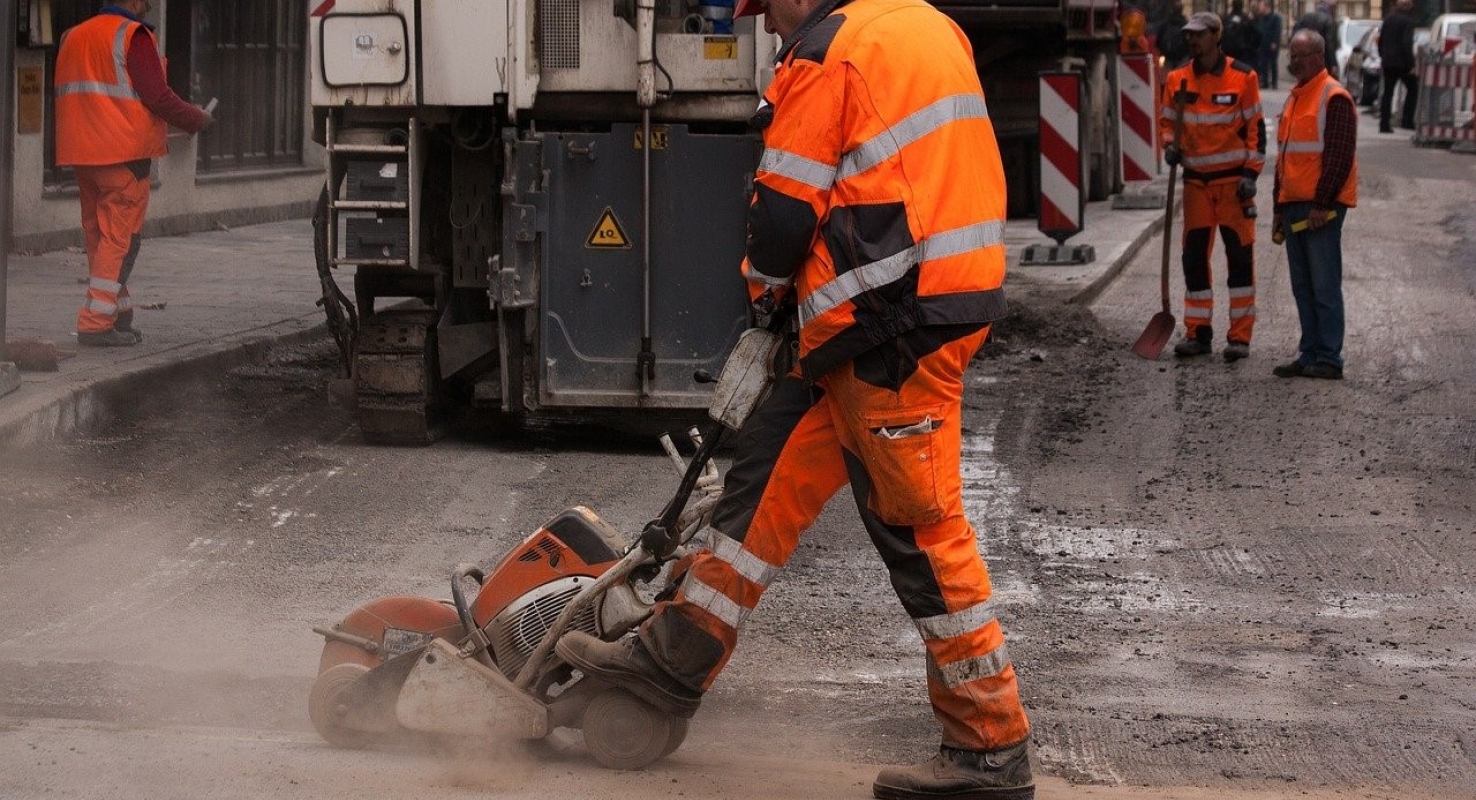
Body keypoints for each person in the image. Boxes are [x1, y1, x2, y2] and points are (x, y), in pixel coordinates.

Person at [554, 0, 1034, 798]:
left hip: (892, 324)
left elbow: (781, 219)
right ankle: (672, 660)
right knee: (762, 479)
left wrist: (764, 301)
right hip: (889, 313)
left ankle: (990, 747)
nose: (767, 27)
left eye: (766, 8)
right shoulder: (926, 23)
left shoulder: (823, 54)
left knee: (918, 532)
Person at [54, 0, 213, 347]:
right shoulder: (133, 36)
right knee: (121, 241)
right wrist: (196, 119)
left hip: (82, 153)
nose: (149, 4)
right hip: (124, 155)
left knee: (100, 237)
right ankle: (95, 322)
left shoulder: (73, 36)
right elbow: (158, 97)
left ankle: (118, 312)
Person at [1159, 12, 1266, 361]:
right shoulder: (1177, 79)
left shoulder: (1243, 77)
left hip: (1233, 184)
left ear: (1216, 37)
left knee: (1238, 259)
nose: (1192, 40)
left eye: (1200, 35)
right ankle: (1198, 333)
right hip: (1196, 185)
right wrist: (1168, 146)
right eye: (1189, 34)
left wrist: (1251, 174)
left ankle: (1239, 338)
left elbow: (1256, 131)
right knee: (1194, 259)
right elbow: (1166, 122)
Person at [1272, 30, 1357, 380]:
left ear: (1319, 56)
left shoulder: (1333, 96)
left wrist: (1321, 204)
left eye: (1300, 55)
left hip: (1320, 207)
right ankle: (1309, 353)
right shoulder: (1296, 97)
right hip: (1294, 205)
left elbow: (1337, 156)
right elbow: (1285, 158)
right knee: (1303, 286)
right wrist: (1278, 207)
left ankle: (1329, 358)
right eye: (1291, 55)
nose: (1293, 62)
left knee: (1323, 285)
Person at [1377, 0, 1419, 133]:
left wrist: (1382, 56)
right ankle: (1407, 120)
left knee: (1388, 93)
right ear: (1407, 7)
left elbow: (1381, 40)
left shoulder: (1388, 19)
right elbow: (1407, 44)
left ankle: (1384, 124)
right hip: (1402, 63)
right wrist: (1411, 64)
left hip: (1388, 62)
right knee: (1413, 89)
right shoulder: (1408, 22)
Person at [1293, 0, 1339, 78]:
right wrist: (1333, 64)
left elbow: (1295, 36)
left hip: (1305, 58)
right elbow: (1330, 44)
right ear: (1330, 8)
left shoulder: (1305, 17)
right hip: (1323, 60)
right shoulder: (1329, 20)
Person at [1255, 0, 1284, 89]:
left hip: (1272, 45)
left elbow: (1277, 30)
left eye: (1261, 6)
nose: (1259, 8)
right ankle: (1265, 82)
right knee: (1263, 63)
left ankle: (1274, 82)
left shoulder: (1275, 18)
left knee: (1273, 63)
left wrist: (1275, 42)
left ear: (1266, 7)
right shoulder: (1261, 18)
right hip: (1263, 44)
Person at [1224, 1, 1263, 65]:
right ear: (1242, 6)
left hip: (1228, 55)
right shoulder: (1246, 19)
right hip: (1243, 54)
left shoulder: (1226, 19)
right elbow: (1258, 36)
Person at [1157, 0, 1191, 68]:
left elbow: (1158, 42)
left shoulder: (1165, 24)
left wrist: (1163, 53)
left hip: (1168, 58)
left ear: (1171, 9)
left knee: (1168, 77)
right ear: (1182, 9)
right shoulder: (1186, 24)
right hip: (1183, 58)